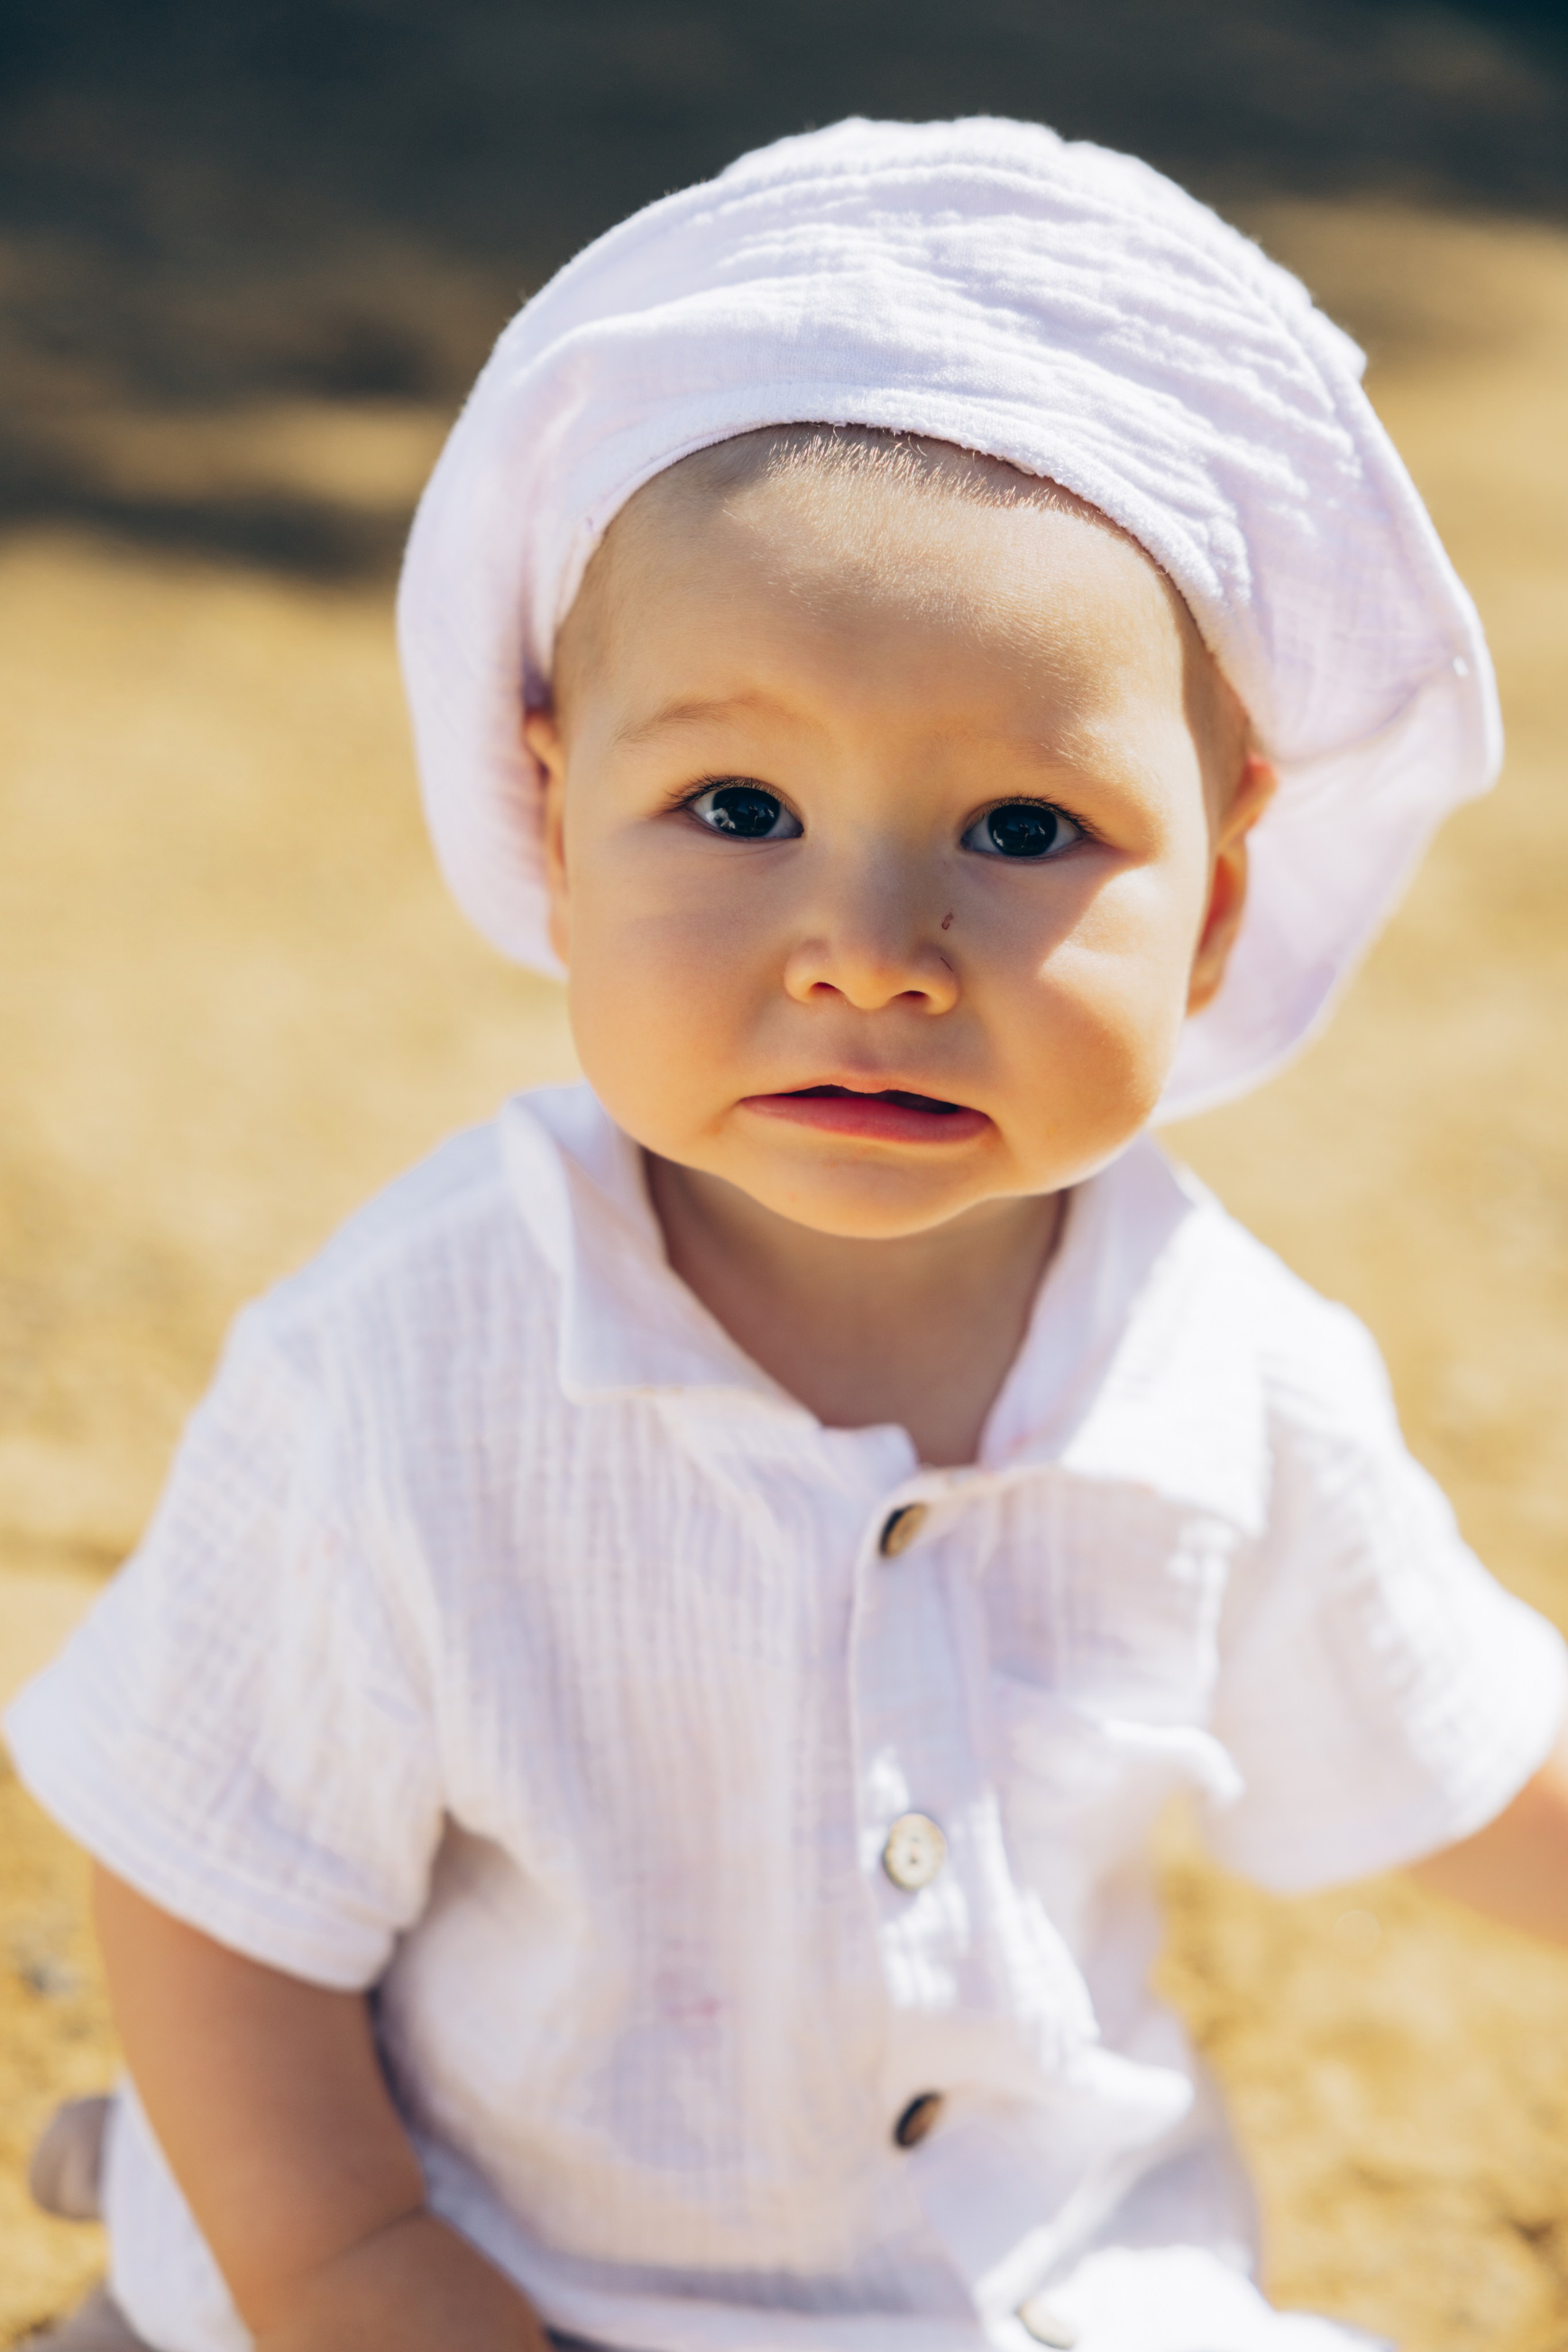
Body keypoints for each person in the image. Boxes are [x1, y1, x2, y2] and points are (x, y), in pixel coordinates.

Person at [9, 115, 1568, 2352]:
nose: (871, 947)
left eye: (1028, 827)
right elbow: (208, 1869)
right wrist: (350, 2263)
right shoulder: (415, 1354)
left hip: (1020, 2292)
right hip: (475, 2264)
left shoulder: (1219, 1366)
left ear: (1217, 900)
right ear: (554, 815)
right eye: (735, 808)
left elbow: (1465, 1755)